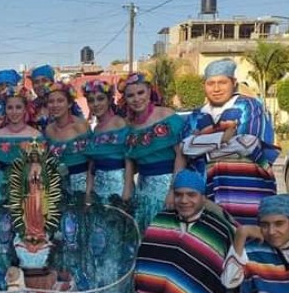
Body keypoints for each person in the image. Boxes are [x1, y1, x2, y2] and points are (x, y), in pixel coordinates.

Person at [182, 59, 278, 225]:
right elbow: (185, 147)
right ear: (204, 86)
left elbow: (248, 143)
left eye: (222, 82)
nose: (216, 88)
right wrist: (225, 138)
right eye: (211, 83)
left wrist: (201, 146)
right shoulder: (196, 115)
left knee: (249, 240)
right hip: (207, 193)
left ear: (233, 83)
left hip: (248, 189)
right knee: (213, 241)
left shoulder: (249, 106)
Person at [122, 73, 186, 235]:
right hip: (142, 190)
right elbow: (129, 157)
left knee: (166, 234)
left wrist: (173, 190)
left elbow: (181, 155)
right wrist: (128, 186)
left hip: (167, 187)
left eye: (140, 93)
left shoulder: (167, 116)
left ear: (149, 92)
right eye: (130, 95)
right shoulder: (129, 124)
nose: (136, 99)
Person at [0, 85, 42, 204]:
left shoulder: (35, 135)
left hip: (27, 186)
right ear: (4, 109)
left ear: (25, 109)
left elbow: (37, 166)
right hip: (1, 186)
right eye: (10, 107)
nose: (14, 112)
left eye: (18, 107)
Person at [83, 79, 131, 205]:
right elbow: (92, 165)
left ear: (109, 100)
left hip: (119, 188)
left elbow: (129, 159)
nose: (95, 104)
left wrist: (126, 190)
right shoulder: (96, 128)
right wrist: (88, 192)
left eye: (100, 99)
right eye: (91, 100)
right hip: (99, 190)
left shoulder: (119, 123)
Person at [44, 81, 90, 197]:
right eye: (51, 101)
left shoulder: (81, 126)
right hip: (57, 186)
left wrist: (89, 191)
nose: (55, 105)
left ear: (69, 104)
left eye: (60, 101)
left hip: (81, 185)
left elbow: (92, 161)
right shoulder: (49, 130)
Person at [29, 64, 84, 132]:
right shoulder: (31, 107)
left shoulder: (68, 104)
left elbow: (82, 125)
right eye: (36, 82)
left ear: (52, 82)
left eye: (44, 80)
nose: (40, 85)